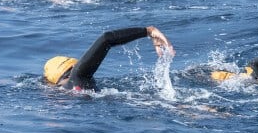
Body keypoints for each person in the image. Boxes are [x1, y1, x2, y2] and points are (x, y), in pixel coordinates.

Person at [43, 26, 175, 92]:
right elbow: (106, 39)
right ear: (72, 67)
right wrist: (148, 31)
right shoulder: (77, 76)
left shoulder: (59, 90)